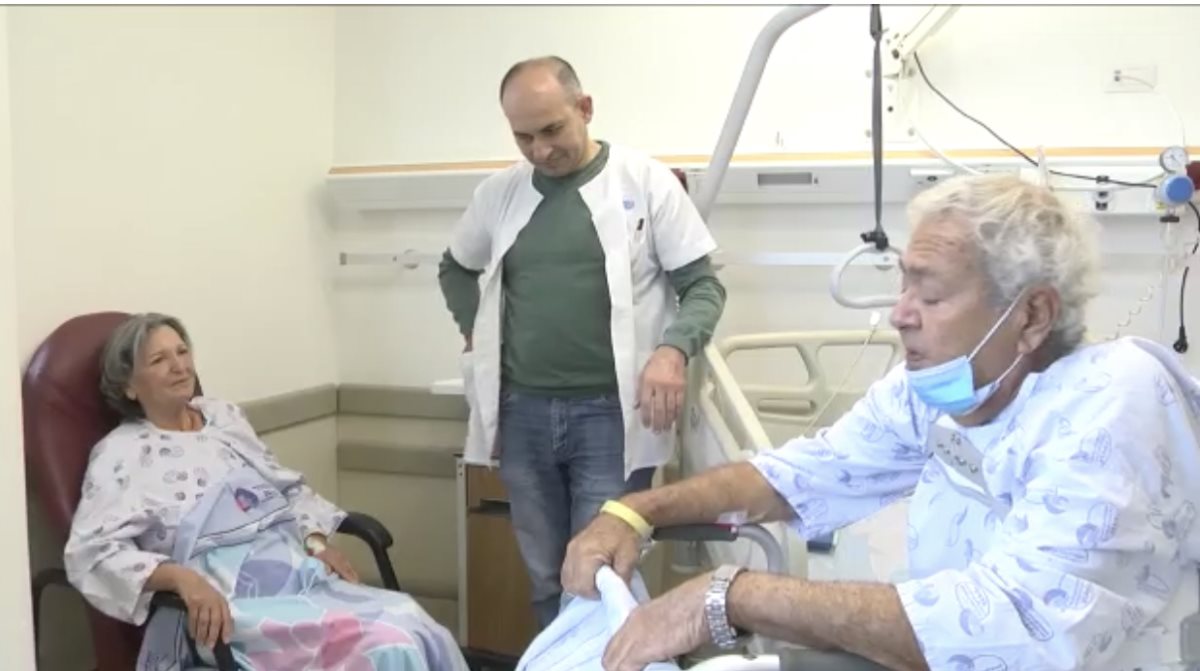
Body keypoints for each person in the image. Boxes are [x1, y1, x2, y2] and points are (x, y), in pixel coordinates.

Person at [563, 173, 1200, 671]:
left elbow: (1018, 628)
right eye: (903, 288)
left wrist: (733, 595)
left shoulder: (1112, 400)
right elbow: (803, 474)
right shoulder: (939, 390)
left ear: (1031, 315)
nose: (900, 314)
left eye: (930, 295)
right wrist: (635, 511)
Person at [437, 55, 726, 629]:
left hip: (612, 418)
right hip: (522, 413)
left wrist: (672, 351)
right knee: (546, 576)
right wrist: (476, 332)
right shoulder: (499, 193)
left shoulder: (645, 182)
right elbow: (455, 268)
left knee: (600, 577)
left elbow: (703, 286)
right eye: (524, 137)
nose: (540, 150)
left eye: (552, 130)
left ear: (585, 108)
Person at [64, 313, 468, 671]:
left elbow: (283, 487)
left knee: (414, 620)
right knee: (389, 643)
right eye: (159, 360)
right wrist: (182, 579)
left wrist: (315, 541)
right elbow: (92, 553)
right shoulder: (121, 454)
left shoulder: (222, 417)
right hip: (229, 604)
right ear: (129, 387)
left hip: (295, 575)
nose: (179, 366)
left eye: (182, 351)